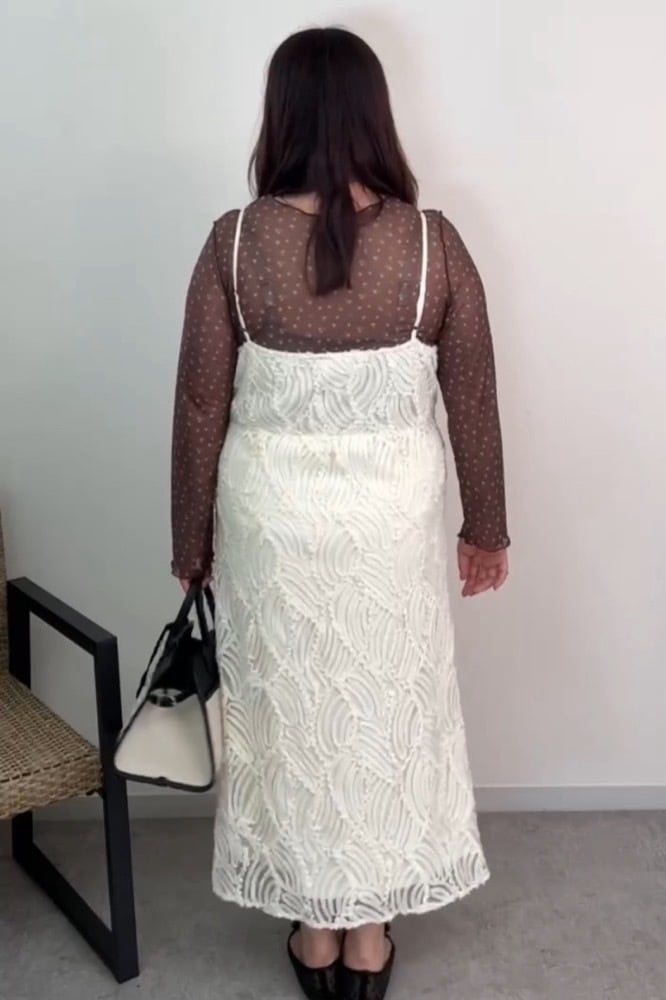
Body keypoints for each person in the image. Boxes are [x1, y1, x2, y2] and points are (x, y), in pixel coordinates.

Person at [171, 26, 510, 1000]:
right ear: (374, 115)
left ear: (280, 116)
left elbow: (200, 402)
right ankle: (368, 938)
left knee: (288, 714)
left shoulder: (234, 242)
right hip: (388, 524)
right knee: (384, 710)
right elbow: (472, 393)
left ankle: (314, 934)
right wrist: (485, 527)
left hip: (271, 522)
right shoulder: (432, 243)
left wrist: (189, 542)